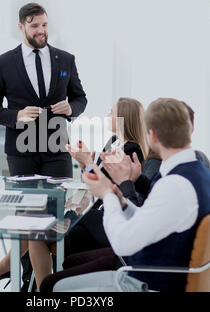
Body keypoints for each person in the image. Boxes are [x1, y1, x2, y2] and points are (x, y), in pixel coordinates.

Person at [40, 98, 210, 292]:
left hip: (145, 279)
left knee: (51, 285)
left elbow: (123, 244)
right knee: (71, 261)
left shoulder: (174, 185)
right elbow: (149, 216)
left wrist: (107, 194)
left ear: (153, 136)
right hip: (158, 267)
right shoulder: (198, 171)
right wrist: (122, 201)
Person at [0, 2, 87, 290]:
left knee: (57, 221)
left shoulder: (65, 59)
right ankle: (43, 289)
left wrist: (71, 108)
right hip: (22, 151)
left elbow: (81, 99)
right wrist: (15, 116)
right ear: (21, 27)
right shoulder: (4, 63)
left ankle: (8, 269)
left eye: (44, 25)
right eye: (35, 26)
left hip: (56, 148)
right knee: (30, 219)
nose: (42, 31)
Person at [28, 97, 148, 291]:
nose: (107, 115)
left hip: (106, 220)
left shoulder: (130, 148)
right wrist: (86, 163)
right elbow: (101, 179)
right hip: (100, 213)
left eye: (111, 112)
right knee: (36, 225)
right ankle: (16, 273)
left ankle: (29, 281)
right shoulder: (115, 141)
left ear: (122, 118)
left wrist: (87, 163)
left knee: (38, 227)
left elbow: (107, 185)